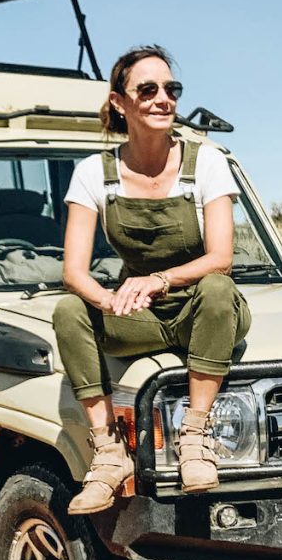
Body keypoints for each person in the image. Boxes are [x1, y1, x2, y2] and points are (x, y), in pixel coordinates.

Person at [53, 45, 251, 515]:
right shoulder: (92, 174)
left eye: (171, 89)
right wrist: (107, 299)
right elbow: (73, 272)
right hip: (137, 314)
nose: (163, 99)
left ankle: (195, 440)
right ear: (120, 102)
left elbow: (221, 258)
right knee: (67, 310)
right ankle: (107, 453)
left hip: (196, 309)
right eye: (148, 89)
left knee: (219, 290)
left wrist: (159, 280)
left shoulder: (205, 162)